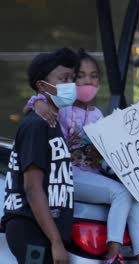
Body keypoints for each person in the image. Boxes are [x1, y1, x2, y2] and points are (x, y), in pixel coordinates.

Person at [27, 49, 139, 264]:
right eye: (79, 76)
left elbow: (103, 154)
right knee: (121, 193)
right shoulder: (61, 109)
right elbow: (34, 102)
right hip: (68, 176)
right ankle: (113, 255)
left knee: (136, 195)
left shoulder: (97, 115)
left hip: (91, 174)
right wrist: (37, 103)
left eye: (93, 76)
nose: (87, 81)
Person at [1, 48, 77, 264]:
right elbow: (32, 189)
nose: (70, 84)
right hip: (30, 228)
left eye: (72, 78)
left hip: (43, 230)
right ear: (43, 86)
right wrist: (56, 242)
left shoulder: (51, 122)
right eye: (63, 79)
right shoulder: (36, 125)